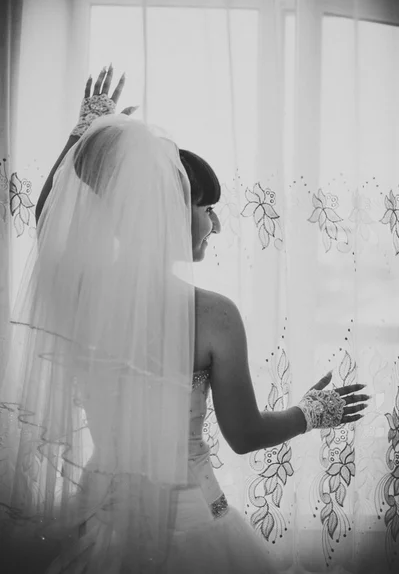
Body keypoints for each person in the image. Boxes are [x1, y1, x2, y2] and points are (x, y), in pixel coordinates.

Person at [0, 66, 369, 574]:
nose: (214, 224)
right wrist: (311, 412)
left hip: (102, 520)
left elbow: (49, 225)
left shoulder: (85, 296)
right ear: (170, 212)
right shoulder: (214, 314)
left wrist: (79, 136)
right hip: (196, 526)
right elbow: (244, 434)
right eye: (206, 209)